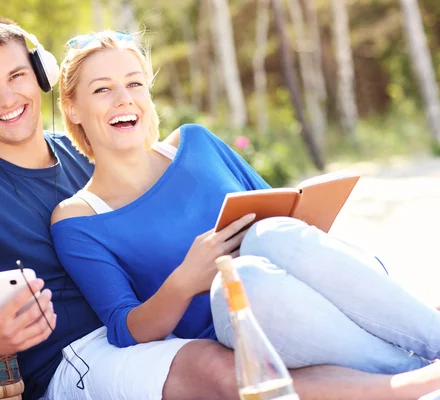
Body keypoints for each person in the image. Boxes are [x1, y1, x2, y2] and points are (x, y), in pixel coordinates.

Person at [0, 16, 440, 400]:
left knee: (262, 290)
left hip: (173, 320)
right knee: (221, 368)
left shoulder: (89, 154)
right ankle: (411, 386)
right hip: (81, 355)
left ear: (43, 78)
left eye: (16, 77)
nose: (7, 100)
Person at [51, 29, 440, 392]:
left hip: (306, 295)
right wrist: (186, 279)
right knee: (246, 279)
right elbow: (124, 328)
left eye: (134, 83)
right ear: (74, 109)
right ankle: (408, 375)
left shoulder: (197, 142)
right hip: (242, 325)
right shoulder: (79, 219)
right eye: (103, 89)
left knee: (267, 235)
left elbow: (287, 218)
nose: (124, 99)